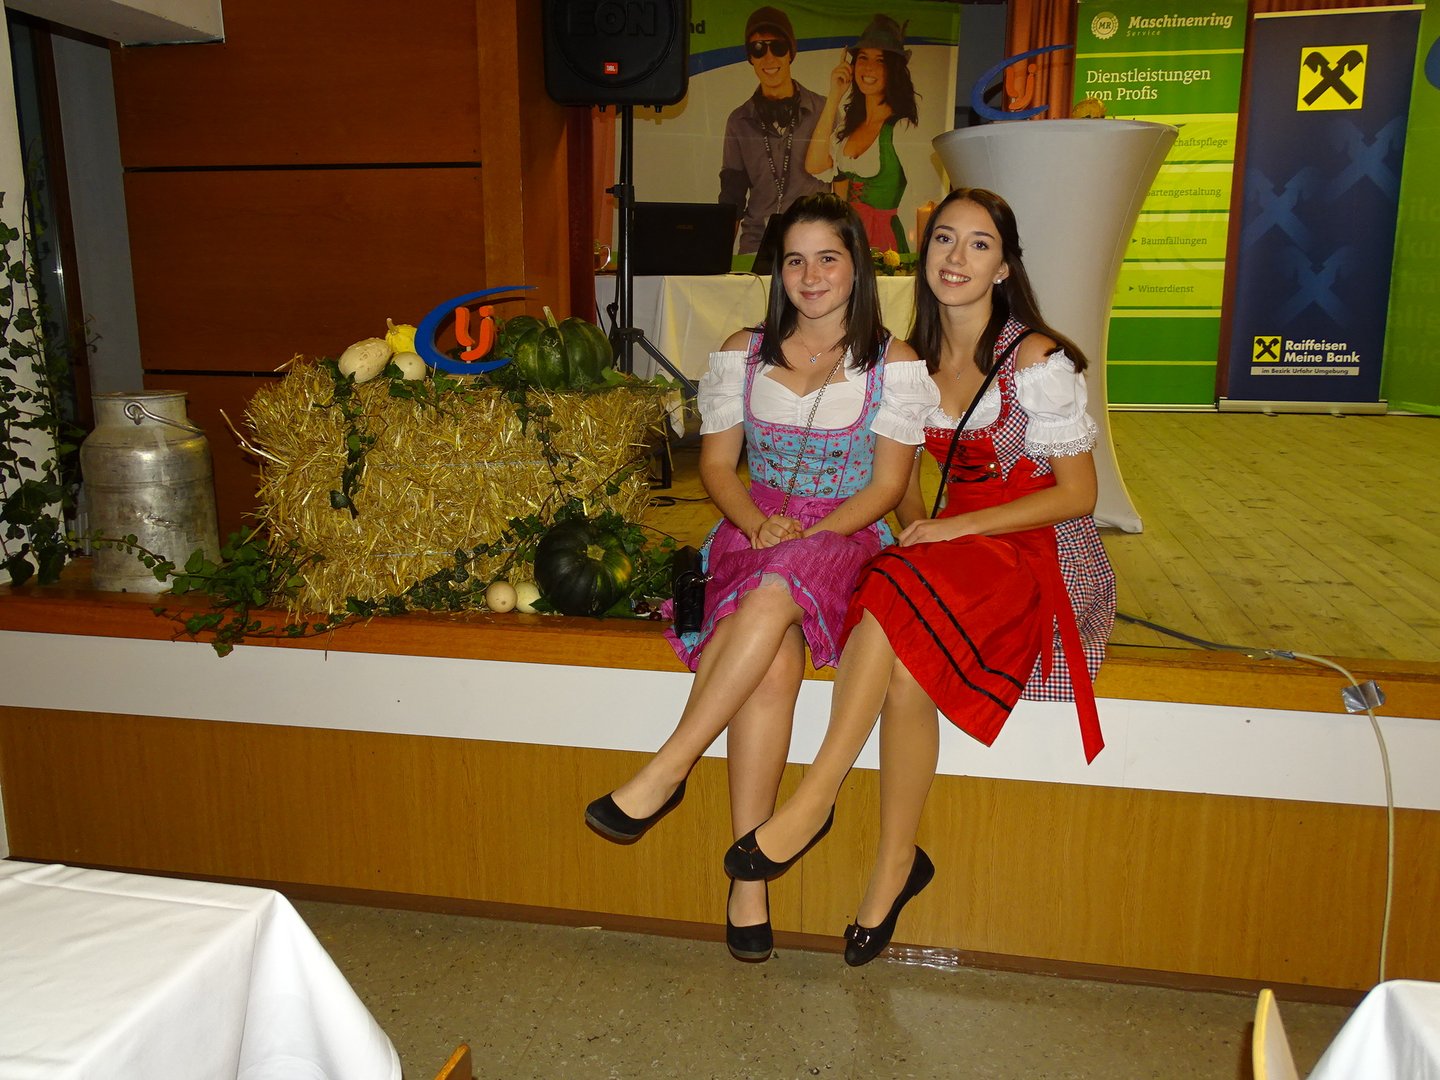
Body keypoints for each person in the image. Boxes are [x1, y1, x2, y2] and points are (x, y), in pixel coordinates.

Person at [722, 187, 1117, 966]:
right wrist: (920, 534)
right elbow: (902, 486)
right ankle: (897, 864)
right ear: (921, 255)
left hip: (1035, 550)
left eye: (978, 244)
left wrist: (950, 531)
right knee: (904, 651)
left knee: (895, 586)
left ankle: (817, 796)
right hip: (953, 554)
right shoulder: (911, 363)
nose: (956, 257)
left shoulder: (1035, 359)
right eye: (943, 240)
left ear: (1004, 267)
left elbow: (1078, 495)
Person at [584, 193, 931, 963]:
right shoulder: (742, 350)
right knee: (771, 663)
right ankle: (749, 884)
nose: (811, 275)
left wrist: (813, 532)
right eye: (795, 260)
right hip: (754, 528)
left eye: (828, 258)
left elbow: (886, 488)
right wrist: (752, 523)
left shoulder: (896, 363)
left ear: (857, 266)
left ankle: (670, 767)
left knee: (776, 591)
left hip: (847, 534)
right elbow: (717, 467)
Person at [804, 14, 919, 253]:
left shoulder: (901, 128)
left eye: (880, 60)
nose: (868, 67)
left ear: (894, 70)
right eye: (863, 57)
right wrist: (834, 95)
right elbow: (814, 165)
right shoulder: (847, 129)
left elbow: (923, 199)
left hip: (885, 246)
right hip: (847, 239)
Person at [719, 7, 829, 254]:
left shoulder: (824, 111)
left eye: (777, 47)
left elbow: (843, 185)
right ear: (751, 57)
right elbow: (732, 195)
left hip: (814, 243)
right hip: (757, 245)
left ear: (790, 53)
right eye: (759, 49)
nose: (768, 58)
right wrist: (718, 255)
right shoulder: (738, 121)